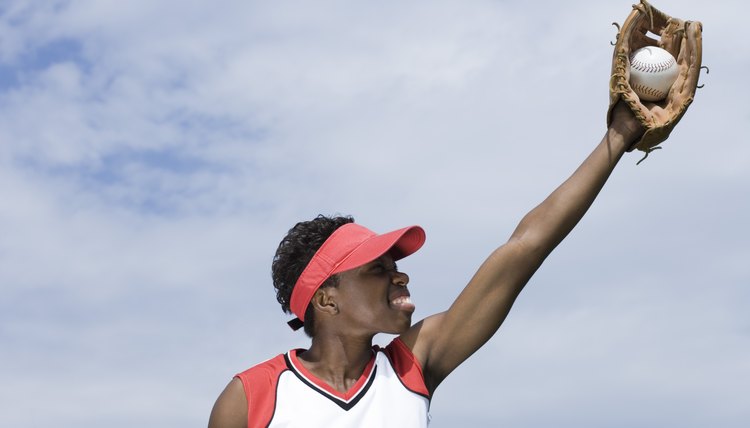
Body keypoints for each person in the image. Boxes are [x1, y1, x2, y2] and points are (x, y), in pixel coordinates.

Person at [208, 102, 647, 427]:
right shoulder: (250, 398)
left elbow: (524, 248)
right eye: (376, 268)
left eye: (393, 264)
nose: (400, 273)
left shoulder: (412, 364)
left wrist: (619, 135)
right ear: (326, 299)